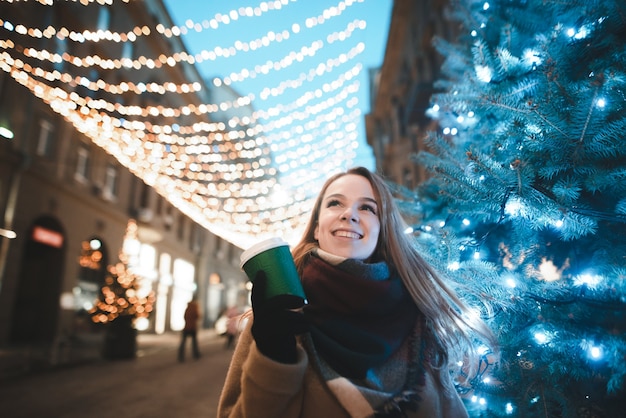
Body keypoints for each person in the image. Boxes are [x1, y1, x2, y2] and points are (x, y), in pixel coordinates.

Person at [218, 167, 497, 417]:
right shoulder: (280, 313)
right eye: (335, 203)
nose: (349, 214)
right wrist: (273, 359)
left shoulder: (419, 316)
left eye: (367, 208)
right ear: (317, 227)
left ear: (382, 230)